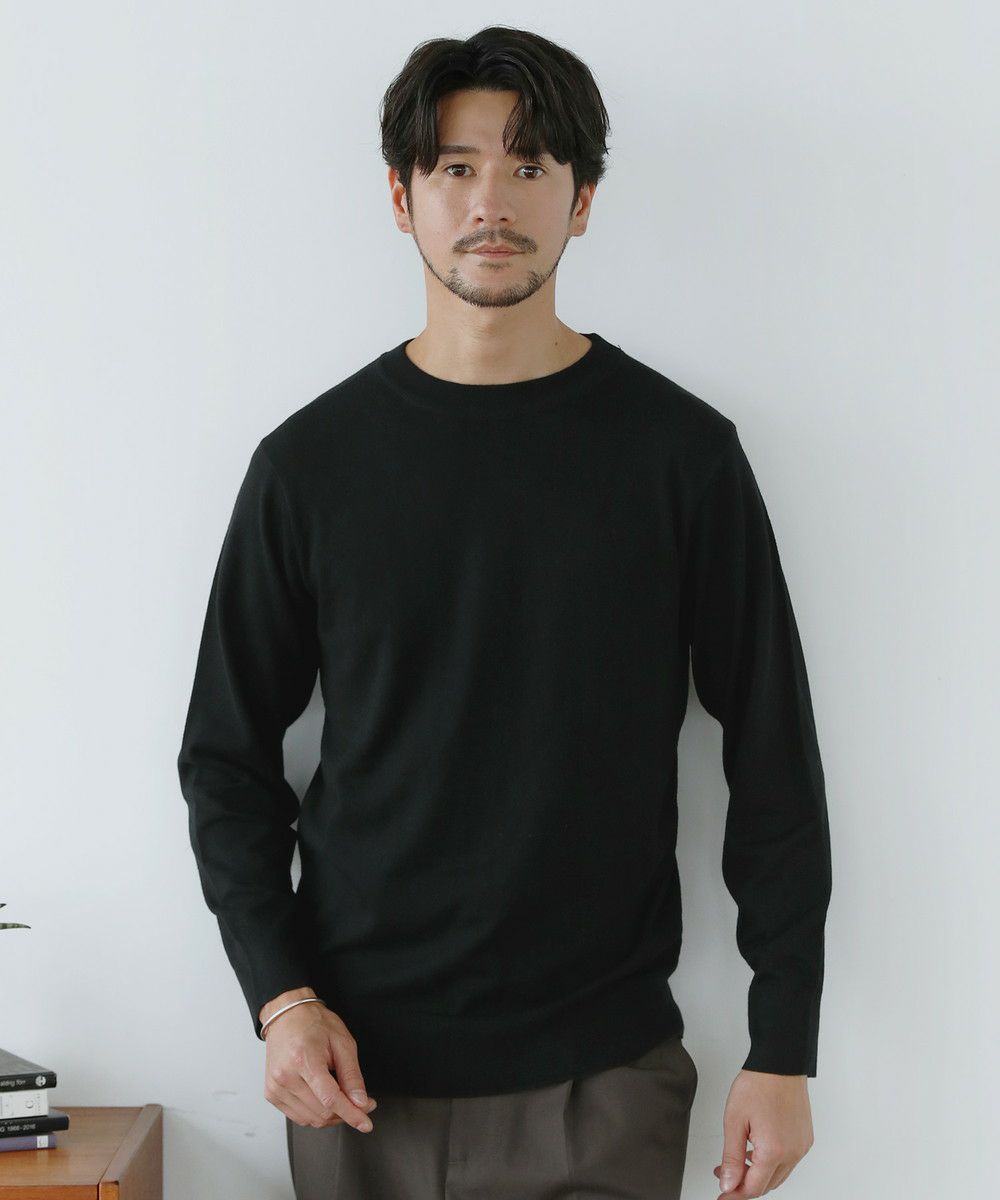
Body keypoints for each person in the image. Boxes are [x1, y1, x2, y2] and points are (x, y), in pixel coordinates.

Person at [177, 24, 832, 1200]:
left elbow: (773, 752)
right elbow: (225, 760)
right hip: (355, 1074)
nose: (492, 201)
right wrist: (281, 998)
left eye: (530, 165)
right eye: (456, 166)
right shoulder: (309, 466)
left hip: (605, 1077)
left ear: (581, 200)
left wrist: (783, 1046)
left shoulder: (680, 457)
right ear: (402, 197)